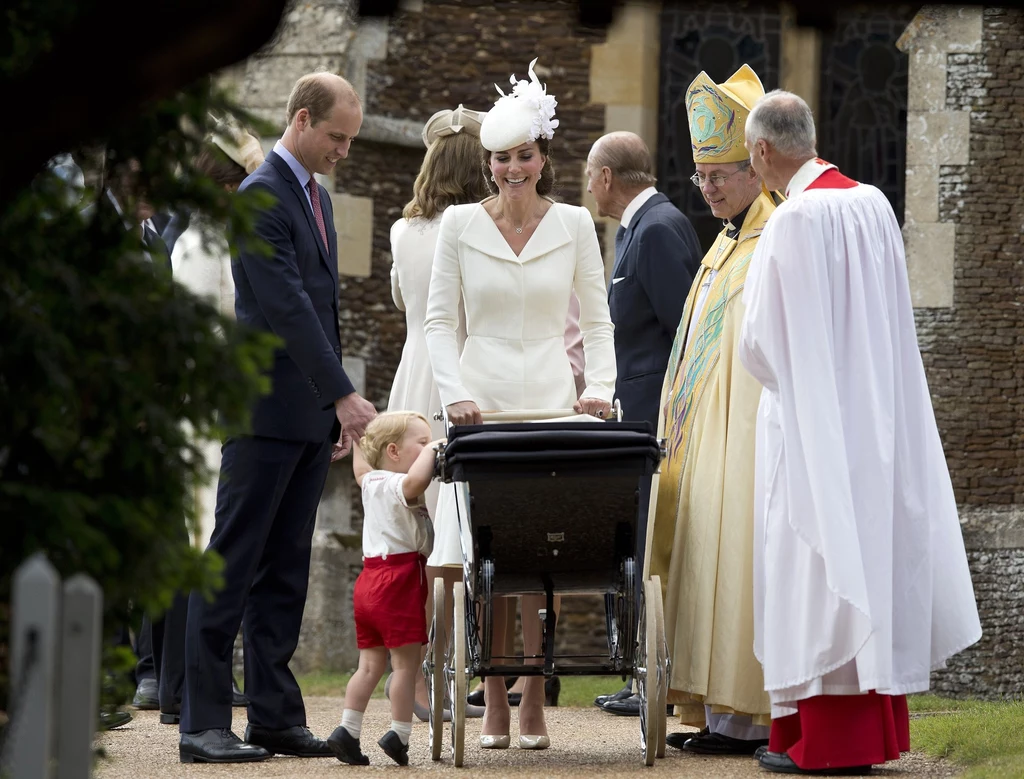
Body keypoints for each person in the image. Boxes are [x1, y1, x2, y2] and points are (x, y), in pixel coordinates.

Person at [738, 90, 982, 774]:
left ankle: (824, 740)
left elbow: (759, 343)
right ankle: (861, 732)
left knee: (814, 571)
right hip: (875, 420)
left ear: (761, 152)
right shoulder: (874, 204)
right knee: (864, 560)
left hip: (812, 425)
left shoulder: (790, 224)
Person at [178, 72, 378, 764]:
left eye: (352, 139)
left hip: (302, 419)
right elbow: (287, 305)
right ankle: (203, 723)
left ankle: (273, 716)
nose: (345, 151)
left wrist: (323, 414)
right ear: (300, 120)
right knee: (230, 566)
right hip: (262, 410)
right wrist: (343, 396)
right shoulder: (261, 194)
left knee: (285, 573)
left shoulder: (313, 194)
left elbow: (323, 306)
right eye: (337, 137)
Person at [424, 57, 616, 750]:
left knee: (542, 560)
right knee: (484, 560)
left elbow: (598, 320)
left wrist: (600, 387)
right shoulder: (457, 226)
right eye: (499, 158)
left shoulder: (572, 223)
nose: (511, 169)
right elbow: (439, 323)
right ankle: (494, 699)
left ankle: (533, 695)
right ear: (488, 162)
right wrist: (456, 393)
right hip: (482, 403)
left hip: (552, 405)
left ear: (542, 157)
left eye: (522, 156)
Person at [647, 64, 776, 754]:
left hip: (748, 440)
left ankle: (750, 712)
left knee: (740, 557)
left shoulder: (772, 240)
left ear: (757, 168)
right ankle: (718, 713)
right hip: (701, 439)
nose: (710, 187)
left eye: (721, 173)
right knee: (704, 556)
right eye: (701, 176)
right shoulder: (724, 242)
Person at [585, 130, 701, 717]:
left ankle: (646, 672)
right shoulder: (643, 225)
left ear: (607, 177)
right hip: (632, 412)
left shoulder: (655, 229)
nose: (587, 185)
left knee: (645, 542)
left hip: (654, 417)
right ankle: (637, 669)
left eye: (590, 174)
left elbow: (683, 332)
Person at [328, 412, 441, 766]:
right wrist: (439, 447)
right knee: (407, 666)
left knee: (368, 666)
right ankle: (400, 735)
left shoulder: (371, 480)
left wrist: (359, 440)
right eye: (421, 443)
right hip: (399, 578)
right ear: (394, 451)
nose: (427, 448)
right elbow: (417, 481)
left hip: (369, 582)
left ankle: (348, 729)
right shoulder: (397, 484)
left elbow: (360, 470)